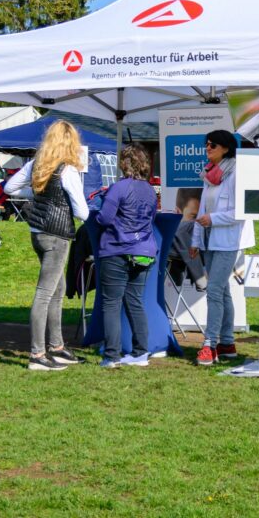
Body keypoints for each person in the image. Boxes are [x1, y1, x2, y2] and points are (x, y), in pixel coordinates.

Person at [4, 121, 90, 371]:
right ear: (71, 142)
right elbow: (82, 212)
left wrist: (36, 194)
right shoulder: (68, 171)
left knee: (57, 288)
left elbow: (9, 187)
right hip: (57, 235)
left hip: (37, 232)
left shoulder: (36, 164)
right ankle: (37, 354)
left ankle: (57, 347)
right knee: (45, 293)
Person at [189, 130, 252, 366]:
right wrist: (196, 240)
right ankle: (226, 343)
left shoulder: (237, 173)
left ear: (226, 148)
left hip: (229, 241)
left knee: (214, 290)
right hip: (209, 239)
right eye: (206, 144)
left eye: (212, 144)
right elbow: (202, 210)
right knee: (222, 291)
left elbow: (240, 212)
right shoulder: (210, 173)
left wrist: (213, 220)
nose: (207, 148)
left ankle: (210, 345)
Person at [94, 144, 158, 368]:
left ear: (124, 164)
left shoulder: (119, 188)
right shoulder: (150, 190)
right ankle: (141, 353)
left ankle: (112, 356)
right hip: (145, 251)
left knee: (111, 304)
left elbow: (104, 218)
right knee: (135, 302)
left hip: (117, 250)